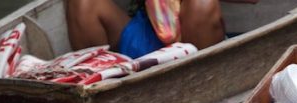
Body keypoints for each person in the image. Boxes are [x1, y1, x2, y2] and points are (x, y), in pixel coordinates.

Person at [65, 0, 225, 59]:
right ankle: (101, 92)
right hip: (147, 30)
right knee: (82, 3)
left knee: (202, 4)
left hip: (193, 33)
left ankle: (202, 87)